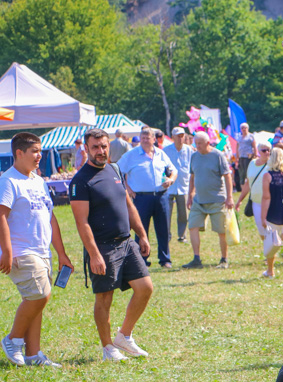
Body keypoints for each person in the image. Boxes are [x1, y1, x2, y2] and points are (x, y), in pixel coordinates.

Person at [70, 128, 154, 361]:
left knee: (145, 287)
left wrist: (142, 234)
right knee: (104, 298)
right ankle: (108, 348)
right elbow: (81, 222)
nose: (100, 151)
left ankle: (123, 336)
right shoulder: (81, 180)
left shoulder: (115, 169)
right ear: (86, 148)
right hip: (103, 247)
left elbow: (128, 205)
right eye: (95, 147)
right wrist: (94, 254)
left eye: (104, 146)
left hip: (127, 243)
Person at [0, 132, 74, 367]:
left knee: (36, 301)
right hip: (21, 251)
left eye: (40, 151)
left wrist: (61, 253)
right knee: (40, 294)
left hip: (43, 250)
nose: (39, 155)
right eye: (34, 151)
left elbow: (50, 216)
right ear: (19, 153)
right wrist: (7, 251)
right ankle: (13, 339)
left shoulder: (39, 181)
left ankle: (33, 355)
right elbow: (1, 215)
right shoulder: (8, 180)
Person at [117, 127, 178, 268]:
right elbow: (117, 172)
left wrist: (171, 180)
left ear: (154, 139)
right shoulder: (131, 155)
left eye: (147, 137)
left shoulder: (160, 154)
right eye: (142, 137)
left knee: (163, 228)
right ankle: (141, 260)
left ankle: (165, 259)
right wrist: (128, 189)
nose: (145, 140)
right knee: (141, 229)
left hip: (161, 196)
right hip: (141, 198)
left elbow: (174, 170)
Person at [183, 132, 234, 269]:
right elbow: (192, 177)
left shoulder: (218, 155)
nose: (197, 146)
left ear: (207, 143)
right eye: (196, 143)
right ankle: (196, 258)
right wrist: (190, 195)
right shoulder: (194, 156)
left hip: (217, 200)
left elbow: (227, 177)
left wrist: (229, 197)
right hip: (199, 200)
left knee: (221, 230)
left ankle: (224, 259)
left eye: (199, 143)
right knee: (193, 226)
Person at [235, 142, 274, 277]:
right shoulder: (252, 164)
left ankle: (271, 260)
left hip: (270, 202)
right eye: (264, 150)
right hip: (256, 202)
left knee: (270, 230)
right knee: (262, 231)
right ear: (258, 151)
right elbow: (247, 183)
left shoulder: (272, 165)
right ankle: (269, 254)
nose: (267, 153)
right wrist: (239, 200)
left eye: (269, 150)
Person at [260, 147, 283, 278]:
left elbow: (266, 197)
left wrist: (263, 217)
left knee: (270, 242)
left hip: (273, 213)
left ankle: (270, 270)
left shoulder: (267, 176)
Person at [163, 127, 193, 243]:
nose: (181, 138)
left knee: (183, 213)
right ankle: (167, 235)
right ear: (173, 137)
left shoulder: (189, 150)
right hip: (169, 186)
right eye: (178, 136)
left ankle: (182, 235)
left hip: (183, 185)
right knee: (166, 213)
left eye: (182, 136)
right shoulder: (166, 150)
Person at [235, 122, 256, 191]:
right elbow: (237, 148)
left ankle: (250, 188)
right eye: (242, 128)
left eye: (245, 128)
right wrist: (236, 158)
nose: (244, 129)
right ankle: (243, 189)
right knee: (242, 173)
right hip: (241, 157)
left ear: (247, 128)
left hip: (248, 157)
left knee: (248, 172)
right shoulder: (239, 137)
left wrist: (255, 155)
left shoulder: (251, 136)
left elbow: (254, 146)